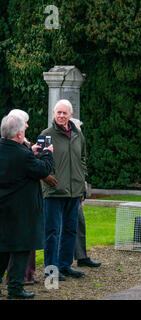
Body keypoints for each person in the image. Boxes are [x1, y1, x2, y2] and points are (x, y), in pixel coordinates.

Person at [0, 114, 54, 299]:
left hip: (3, 209)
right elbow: (44, 169)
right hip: (21, 211)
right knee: (21, 249)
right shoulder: (23, 156)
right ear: (19, 134)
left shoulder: (8, 150)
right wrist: (48, 152)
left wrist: (31, 151)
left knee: (3, 249)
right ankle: (15, 289)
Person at [41, 99, 87, 280]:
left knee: (70, 229)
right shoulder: (46, 134)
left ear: (71, 115)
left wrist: (81, 177)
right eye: (58, 112)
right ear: (54, 114)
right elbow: (39, 161)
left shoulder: (78, 135)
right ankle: (51, 270)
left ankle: (65, 265)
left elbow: (83, 158)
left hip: (74, 191)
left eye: (64, 113)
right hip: (54, 191)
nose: (61, 116)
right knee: (52, 232)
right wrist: (46, 177)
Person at [69, 118, 101, 268]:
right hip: (66, 191)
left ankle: (81, 257)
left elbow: (81, 164)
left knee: (79, 224)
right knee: (65, 226)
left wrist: (83, 183)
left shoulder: (78, 143)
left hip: (77, 189)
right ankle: (64, 261)